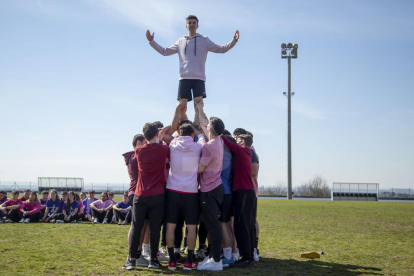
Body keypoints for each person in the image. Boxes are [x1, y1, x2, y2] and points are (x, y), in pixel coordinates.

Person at [146, 15, 239, 119]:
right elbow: (164, 51)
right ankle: (183, 130)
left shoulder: (204, 40)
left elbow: (221, 49)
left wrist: (233, 41)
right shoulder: (181, 41)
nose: (191, 24)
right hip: (184, 77)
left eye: (194, 22)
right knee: (182, 106)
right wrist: (152, 42)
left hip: (198, 78)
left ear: (197, 25)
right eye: (189, 23)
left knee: (198, 107)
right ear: (186, 26)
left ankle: (198, 129)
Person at [123, 123, 170, 270]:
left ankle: (131, 260)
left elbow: (147, 146)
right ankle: (153, 259)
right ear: (157, 134)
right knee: (155, 228)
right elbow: (164, 149)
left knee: (136, 227)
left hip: (140, 194)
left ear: (144, 137)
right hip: (157, 194)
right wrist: (161, 138)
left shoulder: (138, 150)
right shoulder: (164, 148)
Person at [164, 123, 206, 271]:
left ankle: (172, 260)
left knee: (170, 225)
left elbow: (171, 137)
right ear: (192, 135)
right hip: (191, 193)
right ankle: (189, 260)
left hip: (173, 191)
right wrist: (199, 132)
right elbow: (202, 139)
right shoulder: (198, 147)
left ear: (179, 134)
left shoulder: (173, 145)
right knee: (192, 226)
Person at [221, 134, 256, 268]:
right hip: (247, 193)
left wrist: (219, 132)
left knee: (242, 226)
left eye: (237, 140)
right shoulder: (247, 152)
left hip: (244, 192)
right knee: (246, 225)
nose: (235, 141)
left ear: (242, 141)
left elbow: (228, 143)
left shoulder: (242, 150)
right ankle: (249, 258)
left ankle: (246, 259)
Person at [196, 117, 225, 271]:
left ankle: (216, 261)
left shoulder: (208, 146)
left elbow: (200, 168)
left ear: (209, 129)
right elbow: (210, 136)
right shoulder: (220, 141)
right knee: (213, 225)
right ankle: (214, 257)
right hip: (217, 188)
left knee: (212, 226)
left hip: (209, 190)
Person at [219, 135, 237, 267]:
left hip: (224, 194)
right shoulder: (231, 156)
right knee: (229, 225)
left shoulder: (225, 155)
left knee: (223, 225)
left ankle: (227, 256)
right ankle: (232, 253)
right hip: (229, 193)